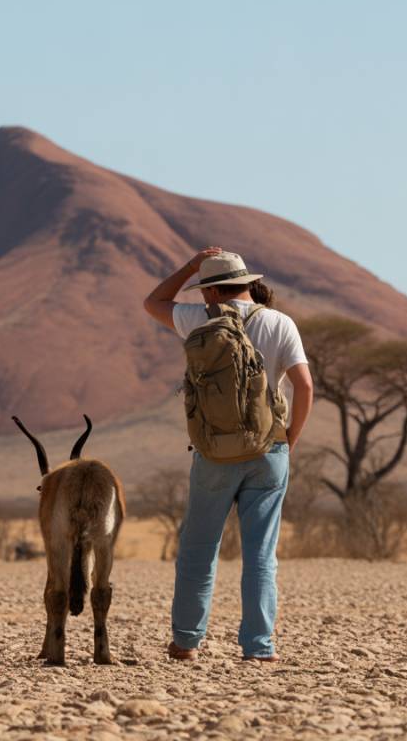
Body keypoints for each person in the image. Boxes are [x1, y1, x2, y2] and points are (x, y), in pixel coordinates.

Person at [143, 247, 313, 662]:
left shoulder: (198, 319)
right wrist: (288, 440)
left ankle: (186, 641)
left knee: (200, 549)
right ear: (246, 283)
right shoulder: (279, 322)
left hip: (214, 451)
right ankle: (259, 646)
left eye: (205, 289)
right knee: (260, 553)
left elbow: (153, 303)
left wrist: (189, 266)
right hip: (269, 448)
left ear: (214, 290)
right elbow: (304, 387)